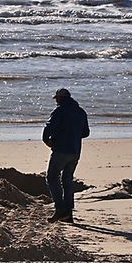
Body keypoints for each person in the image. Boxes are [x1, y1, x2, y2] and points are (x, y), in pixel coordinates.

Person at [42, 88, 90, 223]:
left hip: (61, 150)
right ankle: (68, 213)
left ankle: (60, 209)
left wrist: (47, 140)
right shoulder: (81, 112)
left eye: (57, 98)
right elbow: (86, 133)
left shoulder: (59, 111)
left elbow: (48, 127)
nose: (56, 101)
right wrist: (73, 134)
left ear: (61, 98)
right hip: (75, 151)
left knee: (52, 177)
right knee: (67, 180)